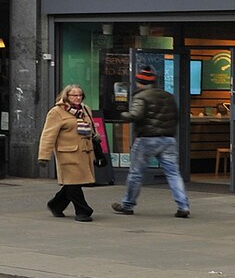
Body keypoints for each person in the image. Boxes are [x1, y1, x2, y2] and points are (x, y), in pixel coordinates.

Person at [112, 65, 190, 218]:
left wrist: (123, 115)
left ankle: (127, 204)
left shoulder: (141, 96)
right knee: (173, 173)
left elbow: (136, 115)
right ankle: (183, 206)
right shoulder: (168, 96)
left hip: (147, 139)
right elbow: (176, 116)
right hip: (168, 139)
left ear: (139, 82)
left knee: (136, 174)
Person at [38, 82, 98, 220]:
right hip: (67, 153)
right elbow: (48, 135)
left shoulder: (85, 109)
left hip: (84, 152)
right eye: (74, 95)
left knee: (73, 182)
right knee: (73, 182)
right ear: (66, 96)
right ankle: (82, 211)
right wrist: (44, 156)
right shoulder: (56, 112)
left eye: (80, 95)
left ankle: (56, 205)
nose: (78, 98)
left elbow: (92, 129)